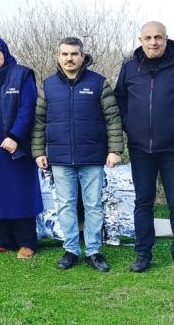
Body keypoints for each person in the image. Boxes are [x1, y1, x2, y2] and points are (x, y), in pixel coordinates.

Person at [114, 21, 174, 276]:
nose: (153, 42)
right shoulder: (130, 67)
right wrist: (129, 124)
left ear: (166, 39)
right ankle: (143, 253)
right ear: (141, 40)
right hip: (140, 147)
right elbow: (119, 99)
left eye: (158, 37)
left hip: (173, 147)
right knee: (143, 201)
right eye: (148, 38)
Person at [32, 37, 124, 272]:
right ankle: (71, 249)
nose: (69, 58)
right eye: (65, 54)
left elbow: (113, 118)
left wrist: (115, 150)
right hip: (60, 158)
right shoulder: (48, 85)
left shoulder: (98, 83)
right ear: (58, 56)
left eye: (74, 54)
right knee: (65, 205)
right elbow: (39, 121)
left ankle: (93, 251)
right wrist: (39, 151)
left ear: (83, 56)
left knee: (93, 205)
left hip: (92, 156)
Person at [0, 37, 44, 258]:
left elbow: (28, 107)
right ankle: (3, 240)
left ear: (5, 52)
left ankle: (27, 242)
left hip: (14, 146)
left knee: (18, 191)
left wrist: (15, 135)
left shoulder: (21, 74)